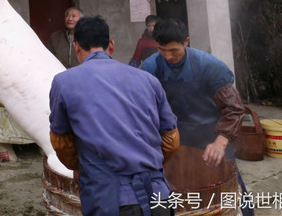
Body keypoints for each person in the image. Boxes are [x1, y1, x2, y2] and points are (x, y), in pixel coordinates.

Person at [49, 16, 180, 216]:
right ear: (111, 45)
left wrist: (81, 166)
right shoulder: (148, 80)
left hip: (109, 200)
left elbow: (61, 142)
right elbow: (171, 140)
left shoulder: (64, 82)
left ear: (76, 47)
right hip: (158, 196)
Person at [140, 19, 252, 216]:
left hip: (209, 134)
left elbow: (233, 109)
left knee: (230, 186)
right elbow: (143, 109)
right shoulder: (150, 68)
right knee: (172, 188)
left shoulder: (210, 66)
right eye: (161, 50)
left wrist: (221, 141)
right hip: (172, 136)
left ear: (186, 41)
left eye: (173, 50)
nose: (167, 56)